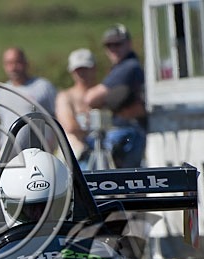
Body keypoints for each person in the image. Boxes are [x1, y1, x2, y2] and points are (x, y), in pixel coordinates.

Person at [85, 24, 147, 168]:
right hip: (126, 133)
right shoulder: (124, 67)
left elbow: (91, 98)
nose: (113, 49)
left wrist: (105, 103)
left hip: (128, 133)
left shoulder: (128, 67)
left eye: (118, 44)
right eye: (109, 45)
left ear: (129, 44)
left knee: (122, 181)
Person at [0, 47, 57, 149]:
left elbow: (57, 118)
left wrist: (52, 144)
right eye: (9, 63)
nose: (13, 68)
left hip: (38, 153)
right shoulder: (1, 92)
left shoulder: (43, 87)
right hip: (8, 156)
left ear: (26, 63)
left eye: (17, 62)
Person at [55, 48, 99, 166]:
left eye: (85, 69)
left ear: (94, 68)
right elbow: (69, 126)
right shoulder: (65, 96)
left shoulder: (102, 93)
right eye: (78, 70)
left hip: (100, 153)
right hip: (75, 155)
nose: (82, 73)